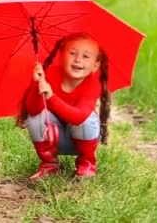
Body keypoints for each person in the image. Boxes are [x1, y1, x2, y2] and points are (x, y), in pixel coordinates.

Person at [18, 32, 111, 181]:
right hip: (52, 141)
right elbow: (33, 109)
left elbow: (79, 117)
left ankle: (86, 164)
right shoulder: (49, 75)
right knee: (35, 117)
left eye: (86, 56)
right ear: (61, 56)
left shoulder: (93, 84)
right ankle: (49, 164)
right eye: (72, 53)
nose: (78, 59)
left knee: (88, 119)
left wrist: (51, 97)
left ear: (95, 65)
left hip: (81, 141)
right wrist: (37, 83)